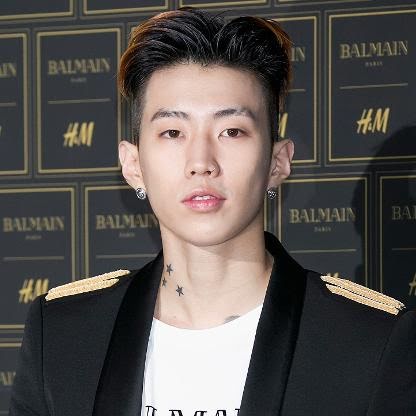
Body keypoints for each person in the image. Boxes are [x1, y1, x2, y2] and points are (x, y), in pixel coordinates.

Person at [9, 7, 416, 416]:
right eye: (173, 132)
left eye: (231, 131)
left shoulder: (369, 340)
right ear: (133, 165)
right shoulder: (62, 334)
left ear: (277, 162)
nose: (201, 162)